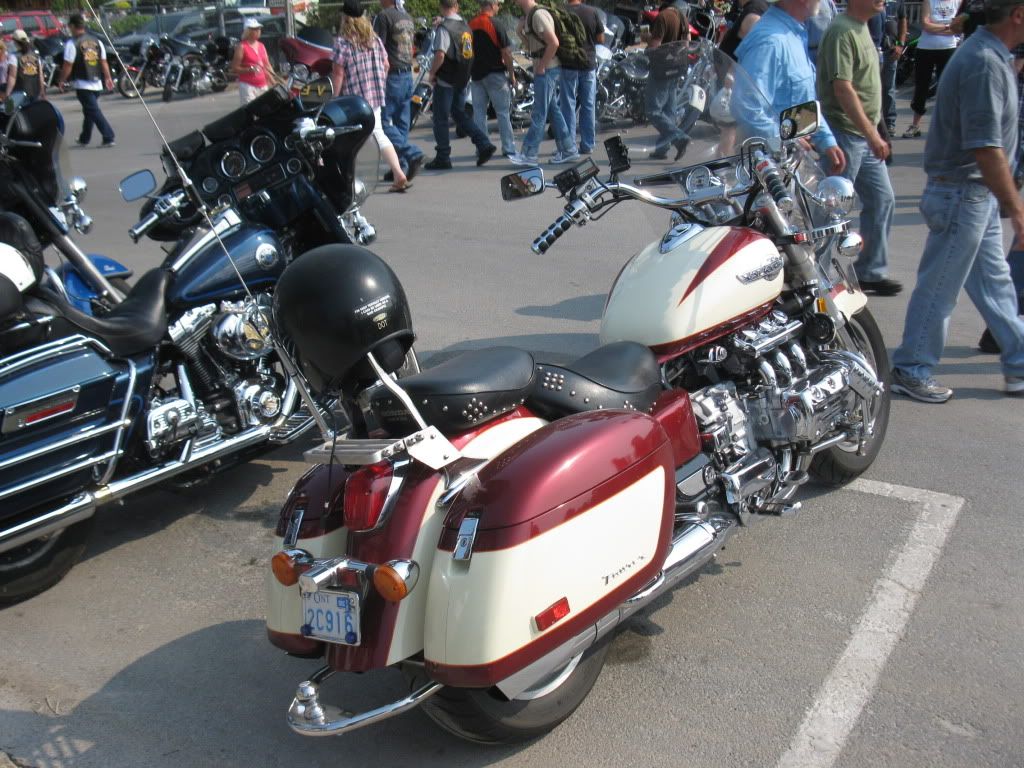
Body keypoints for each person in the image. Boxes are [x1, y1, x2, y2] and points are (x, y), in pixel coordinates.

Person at [890, 0, 1024, 401]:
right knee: (939, 290)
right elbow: (986, 147)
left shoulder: (991, 55)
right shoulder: (984, 63)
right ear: (1018, 14)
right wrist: (1017, 211)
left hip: (972, 194)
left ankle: (1019, 362)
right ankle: (911, 368)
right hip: (963, 194)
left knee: (996, 286)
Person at [818, 0, 902, 295]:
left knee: (882, 200)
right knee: (830, 211)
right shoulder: (842, 31)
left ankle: (870, 272)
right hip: (845, 134)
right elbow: (843, 88)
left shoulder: (861, 27)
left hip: (863, 135)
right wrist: (872, 134)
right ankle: (817, 278)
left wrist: (876, 132)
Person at [736, 0, 846, 174]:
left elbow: (800, 104)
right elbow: (745, 106)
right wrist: (783, 138)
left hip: (786, 164)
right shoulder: (770, 41)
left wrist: (826, 140)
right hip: (766, 171)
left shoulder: (792, 33)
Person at [332, 0, 411, 192]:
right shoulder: (374, 40)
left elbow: (338, 73)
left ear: (346, 18)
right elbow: (386, 64)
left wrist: (333, 97)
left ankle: (349, 183)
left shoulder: (342, 42)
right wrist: (378, 82)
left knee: (348, 139)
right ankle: (398, 173)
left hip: (353, 100)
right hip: (374, 95)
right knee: (378, 133)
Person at [424, 0, 498, 170]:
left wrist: (432, 73)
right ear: (456, 7)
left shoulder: (444, 28)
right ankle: (483, 143)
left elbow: (440, 55)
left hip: (446, 78)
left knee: (440, 118)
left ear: (441, 7)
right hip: (462, 77)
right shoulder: (465, 26)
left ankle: (443, 156)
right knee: (459, 113)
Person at [509, 0, 577, 165]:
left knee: (539, 113)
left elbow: (554, 43)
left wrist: (542, 66)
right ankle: (568, 149)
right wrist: (520, 32)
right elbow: (533, 47)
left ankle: (529, 153)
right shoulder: (530, 16)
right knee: (552, 110)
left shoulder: (538, 15)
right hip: (544, 68)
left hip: (547, 69)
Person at [374, 0, 424, 181]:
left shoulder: (383, 17)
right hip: (407, 73)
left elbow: (377, 48)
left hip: (392, 74)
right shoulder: (407, 17)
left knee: (382, 123)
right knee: (402, 123)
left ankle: (411, 153)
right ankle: (400, 166)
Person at [902, 0, 961, 137]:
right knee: (921, 87)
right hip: (926, 48)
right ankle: (915, 125)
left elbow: (958, 28)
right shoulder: (929, 1)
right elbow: (926, 25)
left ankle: (945, 126)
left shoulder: (957, 2)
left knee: (947, 88)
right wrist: (948, 27)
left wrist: (938, 27)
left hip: (948, 48)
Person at [57, 14, 115, 148]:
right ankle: (84, 138)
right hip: (97, 83)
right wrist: (107, 77)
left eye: (69, 26)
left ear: (72, 26)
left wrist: (61, 80)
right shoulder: (97, 41)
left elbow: (68, 65)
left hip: (82, 83)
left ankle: (108, 136)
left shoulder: (72, 44)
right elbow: (103, 62)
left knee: (93, 111)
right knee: (89, 111)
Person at [469, 0, 517, 158]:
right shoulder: (496, 24)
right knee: (502, 112)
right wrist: (511, 74)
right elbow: (506, 53)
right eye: (497, 4)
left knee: (479, 114)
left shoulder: (471, 24)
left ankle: (482, 147)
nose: (499, 7)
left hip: (476, 75)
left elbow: (467, 51)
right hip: (495, 74)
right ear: (491, 5)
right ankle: (508, 147)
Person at [645, 1, 690, 160]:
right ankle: (662, 148)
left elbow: (655, 46)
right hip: (676, 67)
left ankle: (679, 137)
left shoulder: (663, 17)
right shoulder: (682, 18)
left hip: (661, 69)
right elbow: (687, 43)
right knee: (669, 110)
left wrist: (647, 40)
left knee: (653, 111)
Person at [561, 0, 604, 155]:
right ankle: (587, 144)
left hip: (568, 64)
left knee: (568, 105)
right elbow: (601, 39)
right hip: (588, 63)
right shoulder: (592, 12)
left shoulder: (562, 12)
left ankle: (569, 145)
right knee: (588, 105)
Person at [231, 18, 277, 105]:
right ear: (248, 31)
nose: (258, 31)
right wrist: (249, 70)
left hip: (262, 85)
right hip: (248, 86)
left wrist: (273, 81)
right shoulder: (242, 47)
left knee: (265, 109)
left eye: (259, 29)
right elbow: (235, 68)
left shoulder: (261, 46)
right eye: (255, 29)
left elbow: (267, 65)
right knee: (251, 110)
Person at [6, 30, 46, 102]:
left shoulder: (14, 57)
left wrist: (8, 93)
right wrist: (42, 90)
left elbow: (12, 77)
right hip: (35, 92)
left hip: (20, 93)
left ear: (15, 42)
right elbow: (40, 75)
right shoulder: (36, 55)